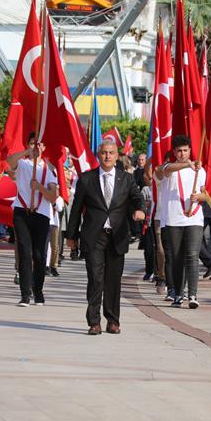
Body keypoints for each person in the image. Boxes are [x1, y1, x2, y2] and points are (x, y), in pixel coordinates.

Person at [66, 140, 145, 334]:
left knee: (113, 280)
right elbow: (76, 210)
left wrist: (140, 210)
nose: (107, 156)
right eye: (104, 153)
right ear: (98, 155)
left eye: (111, 153)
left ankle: (113, 320)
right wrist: (71, 235)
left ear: (117, 156)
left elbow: (137, 198)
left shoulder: (126, 179)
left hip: (117, 236)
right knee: (95, 278)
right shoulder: (86, 179)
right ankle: (94, 322)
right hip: (94, 236)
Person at [155, 135, 208, 307]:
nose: (183, 154)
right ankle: (178, 293)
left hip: (194, 218)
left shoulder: (200, 171)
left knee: (192, 256)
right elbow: (165, 171)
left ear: (190, 150)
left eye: (186, 150)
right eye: (179, 151)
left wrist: (200, 196)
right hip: (173, 219)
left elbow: (206, 194)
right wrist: (187, 164)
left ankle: (193, 295)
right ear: (174, 152)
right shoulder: (168, 168)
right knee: (176, 258)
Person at [7, 136, 59, 306]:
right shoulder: (23, 164)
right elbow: (9, 161)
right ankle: (24, 293)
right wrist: (27, 152)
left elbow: (53, 196)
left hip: (42, 214)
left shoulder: (49, 169)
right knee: (24, 252)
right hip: (21, 211)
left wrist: (40, 188)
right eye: (32, 144)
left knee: (39, 255)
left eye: (39, 144)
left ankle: (38, 290)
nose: (36, 147)